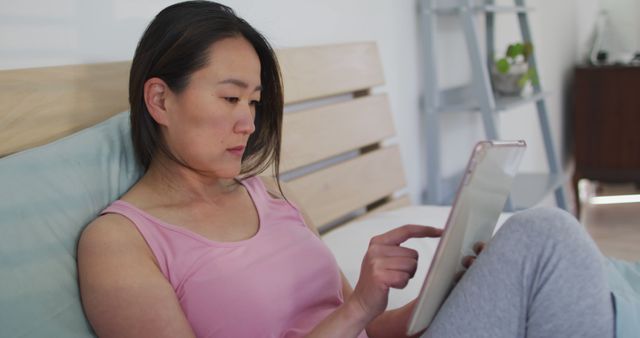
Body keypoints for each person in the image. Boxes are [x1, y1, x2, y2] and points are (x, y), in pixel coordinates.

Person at [77, 1, 615, 337]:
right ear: (159, 100)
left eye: (255, 102)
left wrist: (438, 292)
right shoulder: (119, 242)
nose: (247, 122)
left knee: (533, 241)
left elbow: (359, 327)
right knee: (547, 236)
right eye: (229, 97)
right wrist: (356, 307)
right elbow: (349, 318)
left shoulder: (269, 197)